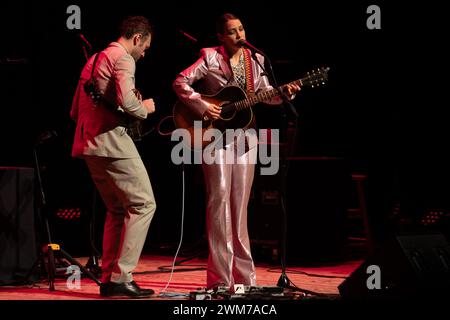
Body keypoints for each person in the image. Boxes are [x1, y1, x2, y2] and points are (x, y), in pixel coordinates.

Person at [172, 13, 300, 290]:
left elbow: (268, 95)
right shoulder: (209, 57)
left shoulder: (256, 60)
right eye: (232, 31)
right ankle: (220, 279)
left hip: (245, 138)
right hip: (214, 137)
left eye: (241, 29)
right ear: (220, 36)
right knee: (218, 203)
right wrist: (204, 105)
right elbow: (180, 82)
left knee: (240, 207)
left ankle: (244, 278)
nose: (239, 34)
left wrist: (285, 93)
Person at [70, 16, 157, 298]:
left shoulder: (94, 59)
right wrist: (145, 107)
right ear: (136, 39)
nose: (144, 53)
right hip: (111, 143)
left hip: (88, 142)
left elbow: (74, 109)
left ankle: (109, 278)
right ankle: (122, 276)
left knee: (118, 209)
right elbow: (127, 101)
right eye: (144, 47)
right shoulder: (123, 59)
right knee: (144, 204)